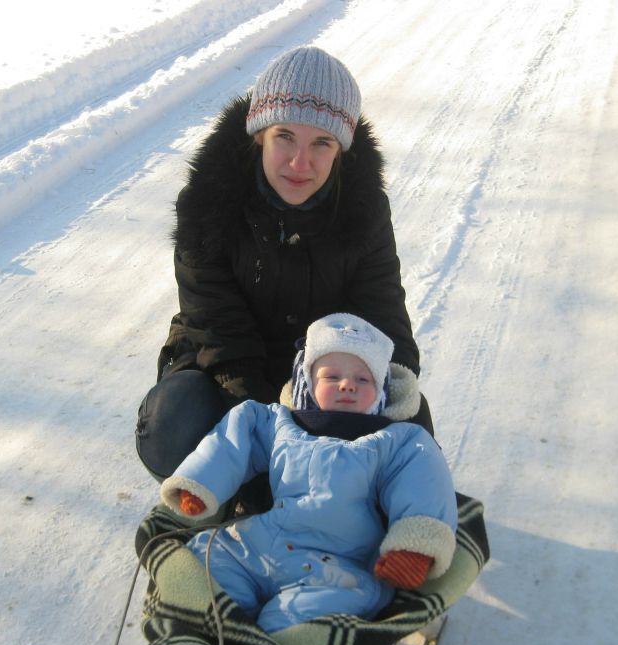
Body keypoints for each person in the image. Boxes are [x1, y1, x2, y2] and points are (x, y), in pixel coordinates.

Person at [136, 45, 433, 501]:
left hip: (327, 364)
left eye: (321, 143)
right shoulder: (207, 204)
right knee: (173, 423)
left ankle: (379, 518)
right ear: (260, 135)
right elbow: (217, 326)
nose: (300, 163)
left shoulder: (364, 210)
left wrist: (393, 390)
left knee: (410, 418)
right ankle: (208, 508)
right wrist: (272, 444)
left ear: (341, 150)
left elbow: (382, 311)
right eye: (285, 137)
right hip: (228, 369)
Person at [157, 313, 457, 633]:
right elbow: (234, 440)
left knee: (308, 614)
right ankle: (215, 627)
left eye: (363, 379)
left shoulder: (396, 441)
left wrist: (414, 545)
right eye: (332, 377)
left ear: (382, 390)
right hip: (265, 543)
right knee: (207, 556)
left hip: (338, 565)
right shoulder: (280, 423)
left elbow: (425, 484)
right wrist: (201, 481)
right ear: (307, 382)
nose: (347, 384)